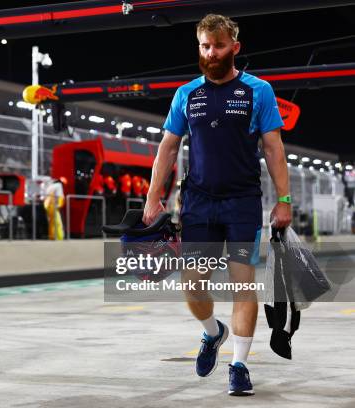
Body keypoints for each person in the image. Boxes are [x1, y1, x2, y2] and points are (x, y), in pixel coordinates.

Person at [142, 14, 291, 396]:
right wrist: (153, 195)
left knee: (244, 287)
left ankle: (239, 365)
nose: (211, 53)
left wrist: (284, 200)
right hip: (199, 205)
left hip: (242, 204)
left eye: (219, 46)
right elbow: (168, 147)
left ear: (234, 47)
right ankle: (213, 333)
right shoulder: (186, 94)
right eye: (205, 46)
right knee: (193, 287)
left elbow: (273, 148)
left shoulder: (258, 91)